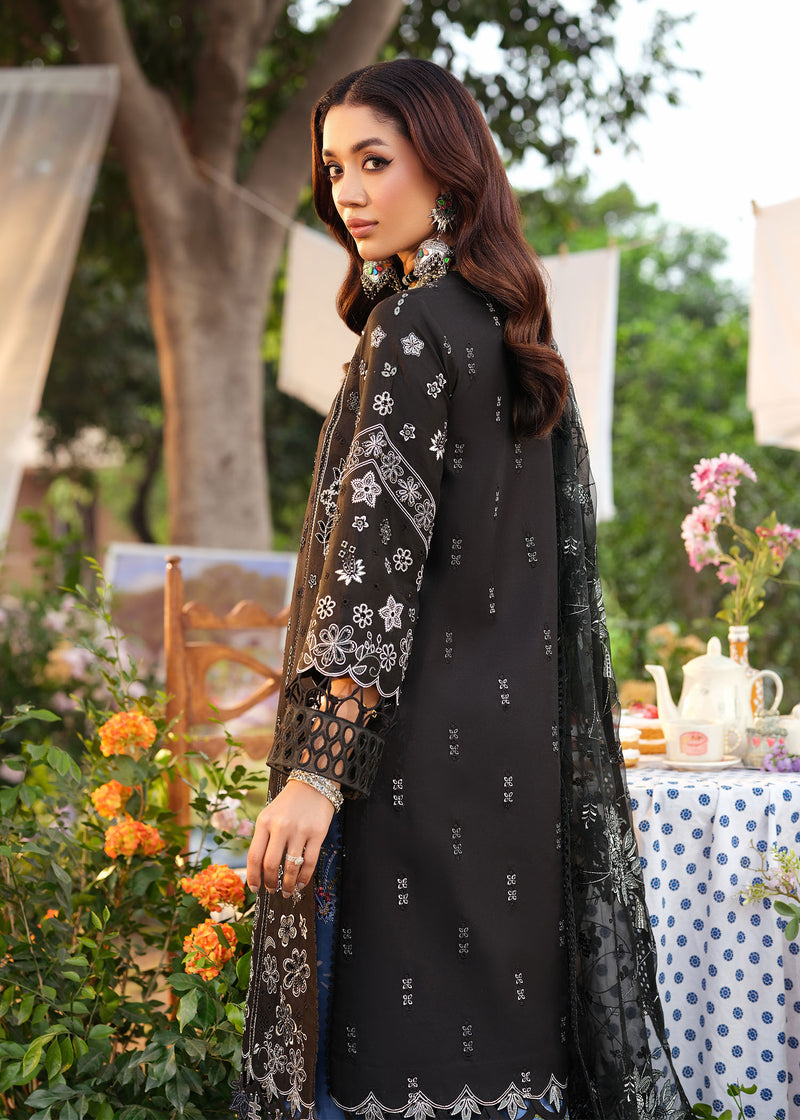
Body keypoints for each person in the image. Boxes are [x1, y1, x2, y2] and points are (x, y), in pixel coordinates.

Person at [232, 59, 689, 1120]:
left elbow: (369, 573)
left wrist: (314, 769)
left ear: (446, 168)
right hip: (515, 779)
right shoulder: (511, 335)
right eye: (333, 166)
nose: (346, 191)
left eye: (373, 162)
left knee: (388, 1075)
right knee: (499, 1075)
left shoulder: (409, 330)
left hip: (406, 781)